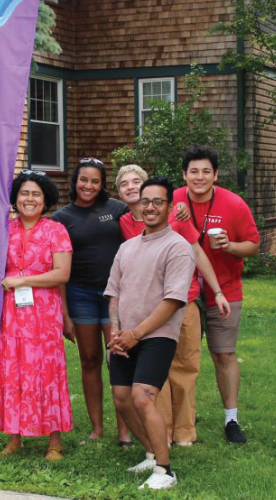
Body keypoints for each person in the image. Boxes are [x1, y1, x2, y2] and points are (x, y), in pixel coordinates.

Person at [115, 164, 230, 446]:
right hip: (147, 309)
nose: (131, 187)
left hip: (184, 301)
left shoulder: (176, 216)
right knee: (155, 374)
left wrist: (217, 291)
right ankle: (161, 431)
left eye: (136, 181)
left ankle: (185, 431)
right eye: (124, 183)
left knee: (185, 367)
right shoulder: (123, 222)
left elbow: (197, 252)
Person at [105, 177, 195, 490]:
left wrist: (136, 333)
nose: (151, 207)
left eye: (158, 201)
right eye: (146, 201)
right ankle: (151, 452)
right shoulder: (126, 248)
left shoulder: (178, 247)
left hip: (158, 335)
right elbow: (114, 295)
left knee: (142, 397)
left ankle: (165, 470)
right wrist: (116, 332)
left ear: (170, 206)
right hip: (124, 336)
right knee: (122, 399)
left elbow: (172, 301)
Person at [171, 145, 259, 444]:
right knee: (182, 356)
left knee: (224, 354)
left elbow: (253, 245)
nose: (199, 177)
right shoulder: (173, 200)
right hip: (183, 292)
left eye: (206, 171)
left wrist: (230, 246)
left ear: (216, 175)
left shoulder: (234, 204)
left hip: (225, 289)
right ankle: (184, 415)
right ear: (184, 175)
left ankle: (231, 419)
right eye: (193, 171)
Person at [0, 171, 73, 460]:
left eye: (36, 194)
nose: (29, 199)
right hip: (10, 312)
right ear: (15, 198)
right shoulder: (3, 229)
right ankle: (15, 436)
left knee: (47, 371)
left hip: (44, 312)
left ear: (45, 199)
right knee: (12, 369)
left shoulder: (55, 230)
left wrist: (22, 280)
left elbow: (62, 273)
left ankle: (54, 441)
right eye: (24, 193)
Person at [51, 158, 132, 446]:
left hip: (114, 296)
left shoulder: (117, 210)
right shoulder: (61, 218)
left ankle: (125, 432)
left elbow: (145, 221)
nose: (89, 185)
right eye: (83, 180)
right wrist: (65, 314)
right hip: (80, 295)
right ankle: (97, 429)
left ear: (102, 184)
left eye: (95, 181)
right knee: (89, 360)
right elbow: (58, 269)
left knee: (117, 360)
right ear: (74, 182)